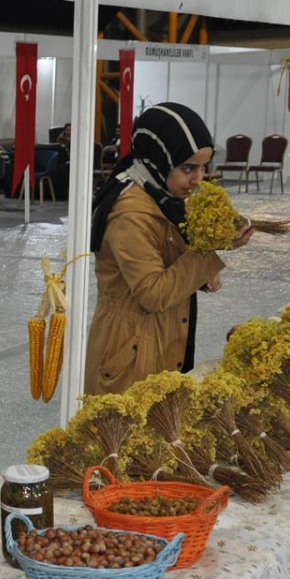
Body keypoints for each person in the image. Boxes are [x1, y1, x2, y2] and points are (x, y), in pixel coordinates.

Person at [84, 102, 254, 395]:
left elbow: (165, 258)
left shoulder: (161, 196)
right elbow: (154, 292)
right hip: (131, 352)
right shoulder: (132, 215)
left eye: (203, 167)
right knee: (128, 437)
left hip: (157, 338)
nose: (198, 179)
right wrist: (206, 255)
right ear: (158, 160)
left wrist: (199, 275)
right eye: (187, 168)